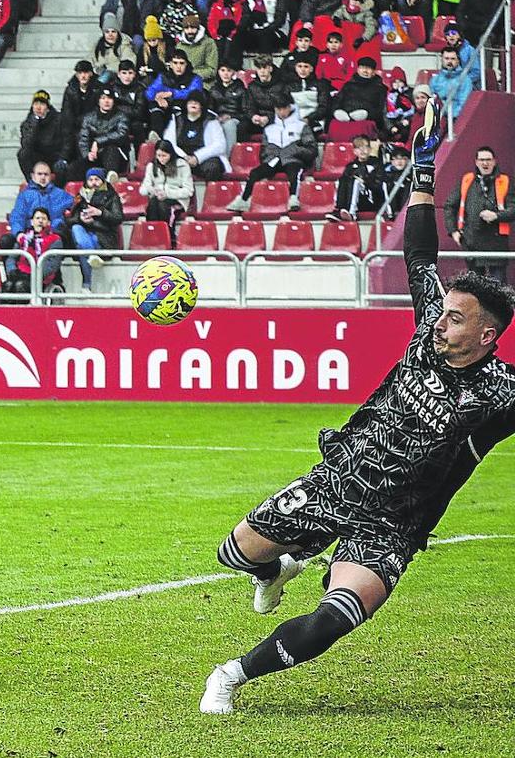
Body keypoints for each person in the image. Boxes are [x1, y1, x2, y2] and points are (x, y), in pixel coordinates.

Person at [200, 100, 515, 714]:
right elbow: (421, 256)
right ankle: (276, 569)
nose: (441, 320)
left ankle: (231, 676)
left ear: (487, 336)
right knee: (233, 554)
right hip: (338, 478)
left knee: (335, 618)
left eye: (456, 318)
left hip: (394, 522)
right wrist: (422, 175)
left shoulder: (501, 394)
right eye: (443, 311)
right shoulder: (429, 325)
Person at [228, 93, 315, 212]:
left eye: (284, 108)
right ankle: (243, 200)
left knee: (294, 171)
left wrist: (293, 150)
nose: (281, 112)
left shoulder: (301, 126)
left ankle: (294, 198)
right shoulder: (269, 128)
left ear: (290, 107)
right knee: (255, 173)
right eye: (278, 109)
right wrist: (273, 153)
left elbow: (311, 149)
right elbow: (264, 151)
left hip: (294, 159)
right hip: (273, 159)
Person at [445, 147, 513, 283]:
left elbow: (513, 208)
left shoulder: (506, 181)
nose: (485, 163)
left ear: (494, 161)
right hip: (471, 242)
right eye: (482, 160)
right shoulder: (466, 181)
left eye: (488, 160)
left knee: (498, 288)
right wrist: (453, 231)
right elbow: (450, 206)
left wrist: (496, 216)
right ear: (476, 162)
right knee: (475, 289)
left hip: (497, 244)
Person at [65, 167, 123, 290]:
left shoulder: (112, 196)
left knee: (83, 250)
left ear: (103, 181)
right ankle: (92, 255)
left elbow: (117, 218)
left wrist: (100, 213)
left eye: (97, 179)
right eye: (90, 180)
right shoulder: (80, 196)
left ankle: (86, 285)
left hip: (103, 237)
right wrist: (81, 219)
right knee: (76, 228)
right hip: (84, 234)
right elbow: (69, 220)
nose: (94, 183)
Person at [0, 162, 73, 251]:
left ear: (51, 176)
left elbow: (75, 205)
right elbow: (17, 217)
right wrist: (19, 233)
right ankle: (11, 265)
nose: (43, 177)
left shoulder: (61, 195)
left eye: (46, 174)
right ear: (33, 176)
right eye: (39, 174)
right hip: (28, 232)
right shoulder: (24, 195)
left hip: (51, 234)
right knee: (6, 241)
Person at [164, 90, 229, 182]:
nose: (193, 104)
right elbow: (168, 142)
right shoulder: (177, 119)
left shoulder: (211, 121)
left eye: (196, 102)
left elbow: (220, 145)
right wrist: (185, 157)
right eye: (190, 102)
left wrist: (197, 157)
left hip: (203, 160)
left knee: (214, 166)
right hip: (181, 158)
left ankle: (211, 194)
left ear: (201, 106)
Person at [141, 140, 193, 245]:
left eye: (164, 156)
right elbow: (143, 189)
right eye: (158, 155)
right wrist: (151, 190)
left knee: (163, 206)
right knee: (153, 204)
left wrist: (167, 193)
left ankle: (168, 236)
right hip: (157, 198)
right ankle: (153, 236)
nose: (161, 159)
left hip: (177, 199)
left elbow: (188, 191)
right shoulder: (151, 167)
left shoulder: (182, 166)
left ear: (171, 154)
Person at [72, 88, 129, 182]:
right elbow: (83, 139)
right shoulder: (88, 118)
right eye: (103, 98)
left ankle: (111, 177)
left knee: (111, 149)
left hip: (116, 157)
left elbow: (121, 134)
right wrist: (87, 154)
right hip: (95, 155)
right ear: (98, 101)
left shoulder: (121, 116)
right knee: (73, 168)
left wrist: (97, 142)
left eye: (109, 98)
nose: (106, 101)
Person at [2, 207, 61, 295]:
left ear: (49, 222)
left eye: (43, 219)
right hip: (20, 273)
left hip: (40, 278)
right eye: (37, 218)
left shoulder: (55, 239)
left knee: (20, 286)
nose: (40, 221)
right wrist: (12, 271)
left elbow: (52, 265)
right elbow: (12, 257)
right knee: (8, 285)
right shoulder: (24, 238)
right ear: (32, 222)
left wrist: (34, 275)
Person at [145, 51, 203, 137]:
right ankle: (156, 137)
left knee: (178, 107)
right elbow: (149, 91)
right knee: (155, 107)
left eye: (181, 63)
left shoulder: (194, 78)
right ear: (170, 64)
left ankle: (179, 139)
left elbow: (194, 93)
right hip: (164, 108)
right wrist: (157, 97)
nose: (178, 66)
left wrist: (172, 93)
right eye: (175, 63)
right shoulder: (163, 76)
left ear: (186, 64)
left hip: (182, 109)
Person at [326, 135, 383, 222]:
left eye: (365, 147)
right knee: (342, 180)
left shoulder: (376, 164)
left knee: (356, 182)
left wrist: (365, 181)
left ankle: (352, 213)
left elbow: (378, 186)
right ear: (354, 151)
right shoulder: (350, 166)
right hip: (355, 199)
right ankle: (339, 209)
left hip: (371, 199)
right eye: (359, 148)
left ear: (370, 149)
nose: (362, 150)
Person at [18, 90, 67, 182]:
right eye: (36, 104)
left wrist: (63, 157)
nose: (38, 107)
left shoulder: (59, 120)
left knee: (61, 165)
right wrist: (35, 123)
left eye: (42, 104)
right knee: (22, 154)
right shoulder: (28, 123)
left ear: (48, 107)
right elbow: (26, 145)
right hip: (38, 157)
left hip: (54, 156)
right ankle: (32, 182)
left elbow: (66, 141)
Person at [208, 62, 246, 149]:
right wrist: (216, 118)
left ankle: (229, 158)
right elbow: (210, 110)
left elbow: (246, 112)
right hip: (218, 119)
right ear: (218, 72)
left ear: (233, 72)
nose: (225, 74)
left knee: (229, 125)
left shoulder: (240, 88)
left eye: (229, 71)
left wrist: (230, 116)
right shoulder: (213, 89)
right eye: (222, 70)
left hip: (236, 119)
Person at [429, 48, 473, 120]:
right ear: (441, 60)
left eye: (453, 59)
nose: (449, 61)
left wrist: (450, 117)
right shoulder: (435, 80)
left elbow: (464, 103)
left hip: (457, 119)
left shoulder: (465, 80)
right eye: (446, 58)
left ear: (458, 61)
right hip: (438, 118)